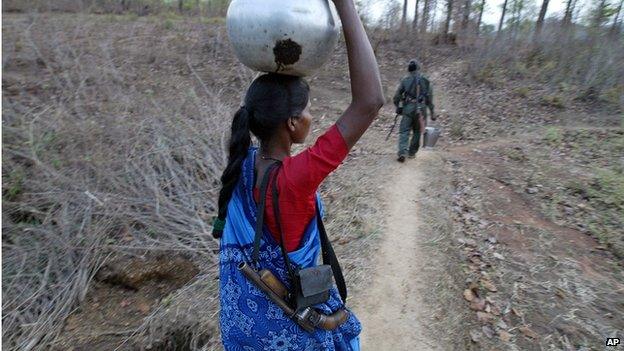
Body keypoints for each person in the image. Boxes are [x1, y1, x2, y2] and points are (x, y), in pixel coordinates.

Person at [212, 0, 384, 349]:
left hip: (244, 333)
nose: (311, 115)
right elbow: (370, 101)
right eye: (307, 109)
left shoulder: (241, 165)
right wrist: (346, 7)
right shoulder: (295, 178)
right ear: (292, 123)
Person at [392, 59, 435, 162]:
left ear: (409, 69)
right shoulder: (426, 80)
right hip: (422, 109)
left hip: (408, 108)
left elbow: (397, 96)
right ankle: (411, 153)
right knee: (417, 131)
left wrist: (398, 107)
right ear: (418, 68)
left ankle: (402, 152)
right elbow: (429, 99)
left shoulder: (405, 80)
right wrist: (432, 112)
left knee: (404, 131)